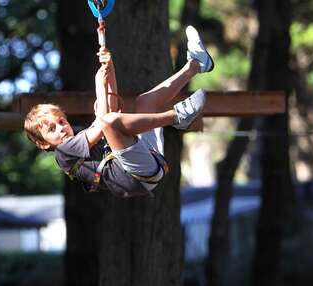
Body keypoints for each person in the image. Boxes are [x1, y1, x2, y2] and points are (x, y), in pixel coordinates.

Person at [24, 26, 214, 198]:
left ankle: (196, 64)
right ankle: (176, 116)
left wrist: (110, 68)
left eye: (61, 121)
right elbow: (103, 122)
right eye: (51, 129)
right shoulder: (64, 153)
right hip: (136, 174)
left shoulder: (81, 134)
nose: (61, 128)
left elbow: (111, 104)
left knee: (144, 101)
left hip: (145, 155)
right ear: (42, 144)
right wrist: (99, 84)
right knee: (107, 121)